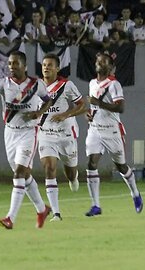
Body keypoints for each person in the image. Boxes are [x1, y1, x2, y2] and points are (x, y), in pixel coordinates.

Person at [0, 51, 53, 229]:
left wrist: (39, 113)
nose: (11, 67)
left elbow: (48, 100)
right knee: (25, 176)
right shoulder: (3, 83)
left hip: (29, 132)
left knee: (19, 173)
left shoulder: (36, 84)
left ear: (24, 66)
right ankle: (42, 209)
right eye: (10, 64)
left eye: (15, 64)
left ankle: (10, 218)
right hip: (10, 133)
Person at [84, 53, 143, 217]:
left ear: (110, 67)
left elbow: (120, 108)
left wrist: (99, 103)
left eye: (103, 62)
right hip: (95, 128)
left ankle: (135, 194)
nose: (99, 63)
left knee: (121, 167)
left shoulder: (114, 84)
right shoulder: (92, 83)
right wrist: (89, 114)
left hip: (112, 130)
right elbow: (93, 108)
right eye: (98, 60)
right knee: (91, 163)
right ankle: (95, 205)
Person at [38, 53, 87, 222]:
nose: (46, 67)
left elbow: (83, 106)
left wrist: (65, 114)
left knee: (70, 171)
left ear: (57, 68)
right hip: (45, 133)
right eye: (44, 64)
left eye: (50, 65)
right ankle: (56, 213)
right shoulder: (36, 86)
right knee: (49, 167)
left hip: (66, 133)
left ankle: (73, 178)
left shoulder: (66, 85)